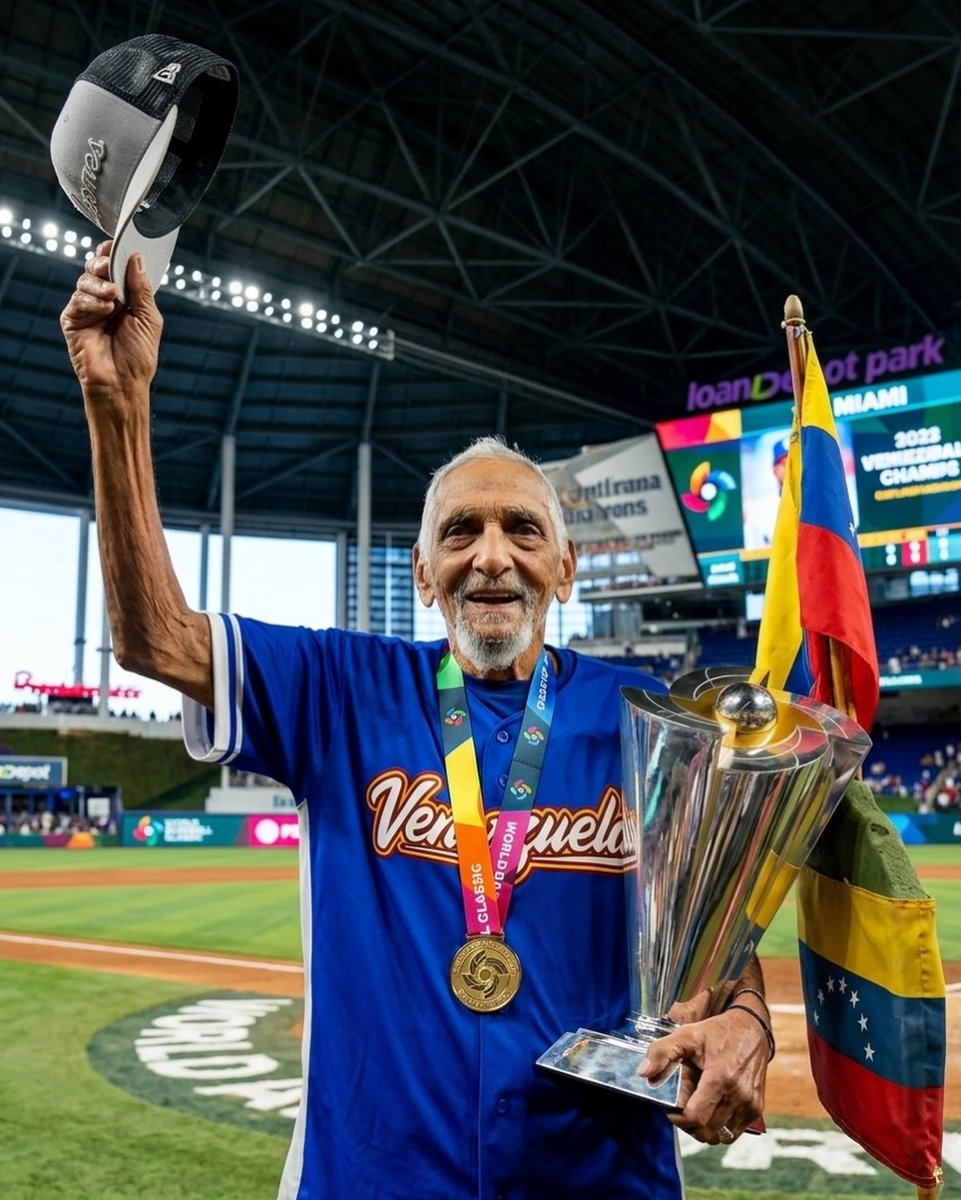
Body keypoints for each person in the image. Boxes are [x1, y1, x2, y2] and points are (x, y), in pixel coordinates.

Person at [61, 247, 772, 1199]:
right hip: (371, 1177)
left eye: (522, 529)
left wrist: (750, 1023)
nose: (490, 557)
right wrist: (119, 403)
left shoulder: (649, 719)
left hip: (598, 1180)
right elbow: (152, 636)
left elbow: (714, 932)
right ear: (419, 570)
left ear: (564, 570)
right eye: (459, 531)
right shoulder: (338, 688)